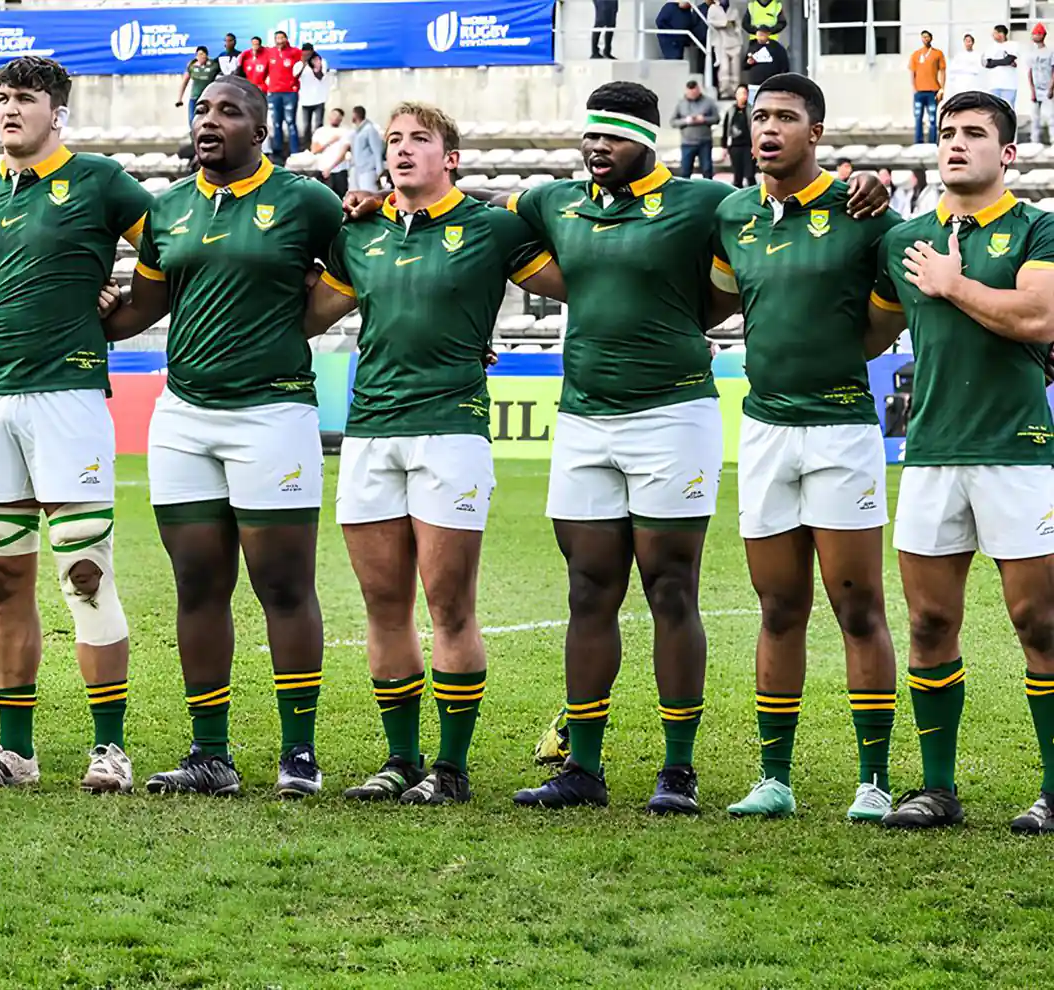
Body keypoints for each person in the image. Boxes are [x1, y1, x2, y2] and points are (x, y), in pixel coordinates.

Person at [497, 82, 888, 813]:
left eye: (611, 136)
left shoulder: (706, 202)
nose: (595, 149)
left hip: (673, 416)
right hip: (582, 418)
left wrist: (871, 180)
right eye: (589, 137)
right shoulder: (552, 202)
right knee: (587, 590)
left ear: (647, 139)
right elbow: (487, 231)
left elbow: (755, 261)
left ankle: (678, 770)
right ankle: (581, 765)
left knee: (671, 586)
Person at [304, 103, 560, 804]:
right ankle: (400, 759)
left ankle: (450, 768)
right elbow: (304, 315)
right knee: (384, 608)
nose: (404, 149)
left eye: (421, 139)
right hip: (371, 431)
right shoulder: (358, 236)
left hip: (450, 430)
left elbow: (579, 281)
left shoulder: (492, 228)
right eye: (394, 140)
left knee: (450, 607)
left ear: (451, 158)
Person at [100, 75, 341, 798]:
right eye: (202, 109)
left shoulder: (307, 201)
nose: (209, 121)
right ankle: (211, 754)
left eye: (228, 111)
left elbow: (362, 271)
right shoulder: (167, 210)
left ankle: (299, 754)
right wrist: (90, 308)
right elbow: (144, 304)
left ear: (261, 131)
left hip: (274, 414)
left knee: (284, 586)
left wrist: (291, 326)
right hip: (184, 417)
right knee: (199, 584)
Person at [0, 56, 152, 792]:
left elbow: (173, 248)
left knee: (85, 574)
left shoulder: (100, 182)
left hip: (68, 397)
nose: (8, 109)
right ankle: (16, 750)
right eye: (1, 97)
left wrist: (123, 311)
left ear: (57, 110)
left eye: (24, 98)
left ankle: (110, 749)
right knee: (2, 579)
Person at [709, 73, 905, 821]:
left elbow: (884, 322)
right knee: (778, 606)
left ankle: (874, 781)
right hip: (763, 430)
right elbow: (714, 302)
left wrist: (883, 189)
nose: (770, 128)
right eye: (761, 117)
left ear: (815, 134)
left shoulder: (862, 212)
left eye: (786, 118)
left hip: (841, 429)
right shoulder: (733, 216)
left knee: (858, 607)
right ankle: (774, 778)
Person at [874, 90, 1054, 834]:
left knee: (1039, 621)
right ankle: (937, 789)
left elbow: (1038, 318)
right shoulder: (904, 239)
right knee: (929, 622)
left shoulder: (1037, 228)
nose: (955, 143)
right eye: (947, 132)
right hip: (932, 453)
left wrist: (954, 285)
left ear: (1007, 153)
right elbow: (870, 327)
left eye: (974, 133)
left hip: (1017, 452)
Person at [264, 31, 303, 163]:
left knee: (290, 122)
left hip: (290, 92)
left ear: (286, 39)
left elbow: (304, 61)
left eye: (282, 37)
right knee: (276, 123)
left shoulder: (295, 52)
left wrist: (295, 82)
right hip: (274, 92)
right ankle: (278, 153)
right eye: (277, 38)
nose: (279, 40)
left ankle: (295, 152)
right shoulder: (270, 52)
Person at [672, 78, 719, 178]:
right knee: (685, 170)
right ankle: (685, 191)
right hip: (687, 143)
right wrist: (686, 121)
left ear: (698, 90)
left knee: (707, 169)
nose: (692, 95)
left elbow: (716, 119)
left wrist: (704, 119)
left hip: (704, 142)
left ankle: (709, 190)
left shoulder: (708, 102)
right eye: (690, 93)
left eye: (694, 92)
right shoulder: (681, 104)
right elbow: (673, 122)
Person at [910, 31, 946, 146]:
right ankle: (918, 142)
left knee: (932, 118)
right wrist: (914, 87)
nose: (925, 39)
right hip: (919, 91)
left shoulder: (937, 53)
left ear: (931, 38)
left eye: (927, 37)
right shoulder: (916, 54)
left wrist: (942, 89)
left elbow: (942, 71)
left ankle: (932, 142)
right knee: (918, 117)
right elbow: (912, 72)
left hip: (932, 90)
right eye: (923, 37)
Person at [706, 0, 744, 98]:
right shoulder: (713, 9)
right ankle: (724, 92)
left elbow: (738, 26)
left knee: (735, 69)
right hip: (721, 43)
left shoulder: (733, 10)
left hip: (734, 42)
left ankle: (735, 92)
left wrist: (735, 27)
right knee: (724, 69)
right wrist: (724, 23)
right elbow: (710, 22)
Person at [310, 107, 351, 196]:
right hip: (322, 170)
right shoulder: (320, 131)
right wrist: (329, 142)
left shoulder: (345, 132)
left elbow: (343, 153)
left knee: (340, 197)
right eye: (333, 115)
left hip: (339, 170)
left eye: (338, 116)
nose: (335, 118)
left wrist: (330, 168)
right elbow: (314, 150)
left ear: (341, 119)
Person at [175, 46, 220, 127]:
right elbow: (184, 82)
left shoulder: (214, 65)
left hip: (208, 99)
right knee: (192, 120)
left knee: (207, 120)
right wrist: (179, 99)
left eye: (202, 54)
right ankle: (193, 138)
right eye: (198, 55)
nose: (200, 57)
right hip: (195, 98)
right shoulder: (192, 66)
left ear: (206, 55)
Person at [296, 47, 329, 152]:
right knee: (306, 126)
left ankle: (319, 147)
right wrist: (304, 64)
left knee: (318, 125)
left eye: (309, 53)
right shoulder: (299, 64)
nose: (307, 56)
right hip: (305, 100)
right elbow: (295, 77)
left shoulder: (321, 61)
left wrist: (315, 66)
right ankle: (306, 147)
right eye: (305, 54)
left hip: (319, 99)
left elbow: (320, 76)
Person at [722, 84, 754, 186]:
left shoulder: (752, 110)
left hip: (749, 146)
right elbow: (726, 127)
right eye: (739, 93)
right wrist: (724, 146)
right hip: (735, 146)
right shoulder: (731, 110)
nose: (742, 96)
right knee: (737, 175)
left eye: (744, 93)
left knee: (750, 175)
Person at [349, 106, 383, 192]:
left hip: (368, 170)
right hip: (357, 169)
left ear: (355, 115)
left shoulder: (370, 129)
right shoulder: (356, 131)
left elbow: (377, 150)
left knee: (369, 195)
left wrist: (380, 171)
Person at [1029, 24, 1054, 144]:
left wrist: (1051, 88)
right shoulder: (1031, 53)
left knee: (1051, 117)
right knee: (1035, 118)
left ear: (1042, 35)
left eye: (1037, 33)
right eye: (1033, 34)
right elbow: (1029, 72)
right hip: (1036, 88)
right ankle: (1035, 142)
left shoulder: (1050, 52)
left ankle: (1053, 141)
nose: (1034, 36)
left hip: (1048, 88)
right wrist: (1032, 90)